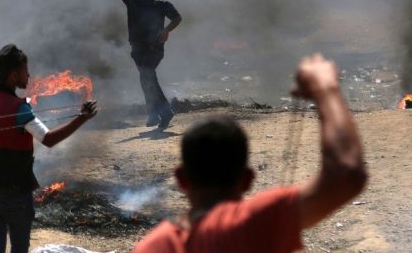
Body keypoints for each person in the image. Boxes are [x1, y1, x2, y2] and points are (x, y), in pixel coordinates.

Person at [133, 54, 367, 253]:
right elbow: (346, 175)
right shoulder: (256, 223)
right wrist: (325, 88)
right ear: (247, 180)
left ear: (181, 179)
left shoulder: (154, 246)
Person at [0, 44, 98, 253]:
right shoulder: (19, 108)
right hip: (15, 194)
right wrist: (82, 119)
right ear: (14, 75)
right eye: (25, 70)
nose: (29, 75)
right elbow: (48, 139)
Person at [96, 0, 182, 129]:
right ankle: (154, 113)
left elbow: (177, 18)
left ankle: (164, 112)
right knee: (145, 79)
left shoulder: (160, 4)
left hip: (154, 48)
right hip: (137, 48)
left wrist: (166, 30)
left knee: (147, 74)